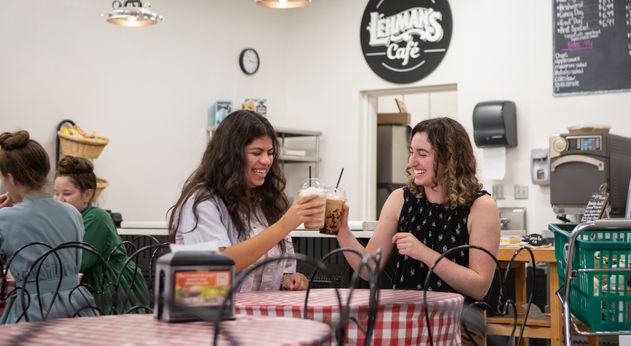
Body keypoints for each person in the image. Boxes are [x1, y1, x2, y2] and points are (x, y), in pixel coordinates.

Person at [335, 117, 500, 346]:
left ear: (450, 158)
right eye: (411, 152)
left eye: (422, 154)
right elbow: (368, 269)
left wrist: (424, 253)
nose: (412, 162)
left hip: (457, 325)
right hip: (404, 320)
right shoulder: (399, 199)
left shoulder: (481, 206)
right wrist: (341, 230)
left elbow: (479, 287)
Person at [168, 110, 325, 292]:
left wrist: (289, 278)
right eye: (256, 152)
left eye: (270, 152)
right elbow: (218, 264)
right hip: (215, 308)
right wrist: (285, 225)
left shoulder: (266, 201)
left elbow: (281, 266)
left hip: (263, 308)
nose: (266, 160)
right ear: (230, 156)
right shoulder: (201, 202)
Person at [0, 130, 96, 323]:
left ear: (10, 178)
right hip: (78, 307)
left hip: (33, 311)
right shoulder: (73, 213)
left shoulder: (6, 218)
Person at [54, 155, 149, 313]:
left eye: (67, 194)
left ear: (87, 195)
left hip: (113, 292)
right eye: (56, 193)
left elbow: (72, 262)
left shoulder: (96, 217)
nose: (59, 200)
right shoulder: (67, 220)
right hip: (88, 290)